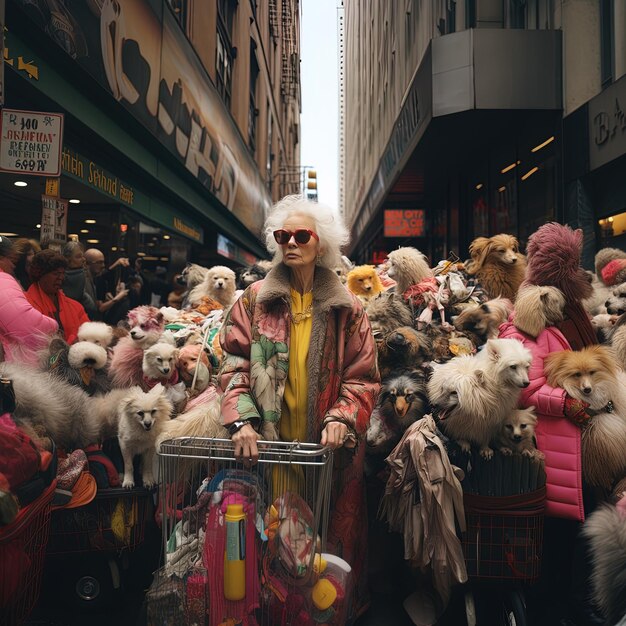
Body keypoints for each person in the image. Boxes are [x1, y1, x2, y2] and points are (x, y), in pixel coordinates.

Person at [218, 195, 381, 618]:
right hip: (269, 453)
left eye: (301, 235)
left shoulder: (348, 307)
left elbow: (362, 377)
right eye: (283, 235)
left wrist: (342, 417)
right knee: (274, 546)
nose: (291, 243)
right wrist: (243, 422)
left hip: (325, 457)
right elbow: (232, 364)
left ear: (321, 245)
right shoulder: (254, 299)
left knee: (324, 555)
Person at [498, 223, 602, 626]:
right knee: (557, 539)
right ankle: (551, 611)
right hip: (555, 448)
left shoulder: (567, 312)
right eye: (569, 265)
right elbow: (524, 388)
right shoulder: (530, 318)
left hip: (576, 446)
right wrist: (568, 402)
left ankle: (569, 603)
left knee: (575, 533)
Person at [0, 236, 59, 365]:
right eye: (11, 260)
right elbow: (27, 325)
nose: (12, 266)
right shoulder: (2, 280)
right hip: (11, 367)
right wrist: (53, 326)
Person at [25, 249, 90, 345]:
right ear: (40, 275)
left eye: (63, 273)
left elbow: (90, 334)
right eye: (56, 274)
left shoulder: (76, 307)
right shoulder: (24, 303)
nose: (61, 277)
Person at [84, 248, 130, 325]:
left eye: (103, 262)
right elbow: (100, 308)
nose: (103, 265)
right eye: (99, 262)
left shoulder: (96, 279)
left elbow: (107, 273)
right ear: (87, 264)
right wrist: (118, 297)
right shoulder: (85, 281)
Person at [61, 241, 97, 319]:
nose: (83, 259)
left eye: (83, 256)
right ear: (67, 259)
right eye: (78, 257)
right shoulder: (76, 275)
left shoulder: (84, 272)